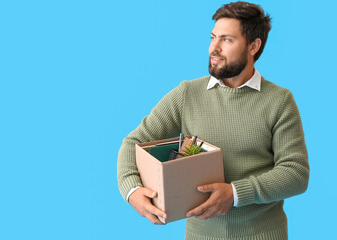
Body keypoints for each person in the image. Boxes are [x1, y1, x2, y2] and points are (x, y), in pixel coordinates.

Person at [117, 1, 309, 239]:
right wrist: (132, 190)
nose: (213, 48)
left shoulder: (279, 101)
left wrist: (235, 193)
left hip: (263, 234)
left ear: (253, 46)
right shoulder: (187, 94)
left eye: (227, 39)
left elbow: (295, 173)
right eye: (212, 37)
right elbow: (133, 142)